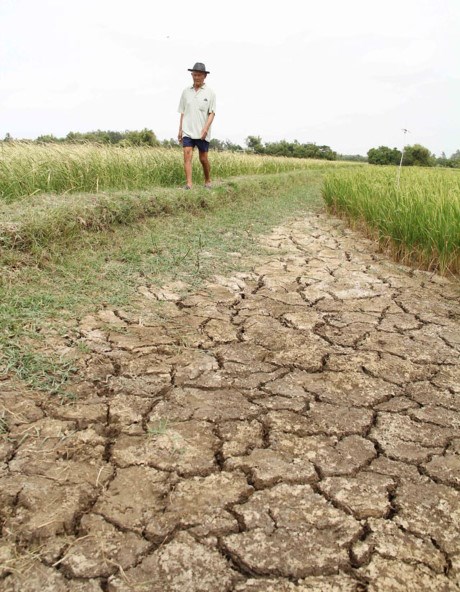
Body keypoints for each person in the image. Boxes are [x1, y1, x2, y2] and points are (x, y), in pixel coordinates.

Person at [177, 62, 216, 189]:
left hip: (202, 132)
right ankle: (189, 184)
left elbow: (211, 113)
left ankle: (208, 180)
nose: (196, 77)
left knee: (203, 159)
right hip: (187, 130)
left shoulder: (210, 93)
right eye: (194, 75)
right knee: (187, 154)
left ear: (205, 76)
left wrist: (205, 129)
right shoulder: (185, 92)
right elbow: (183, 112)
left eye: (199, 75)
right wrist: (180, 130)